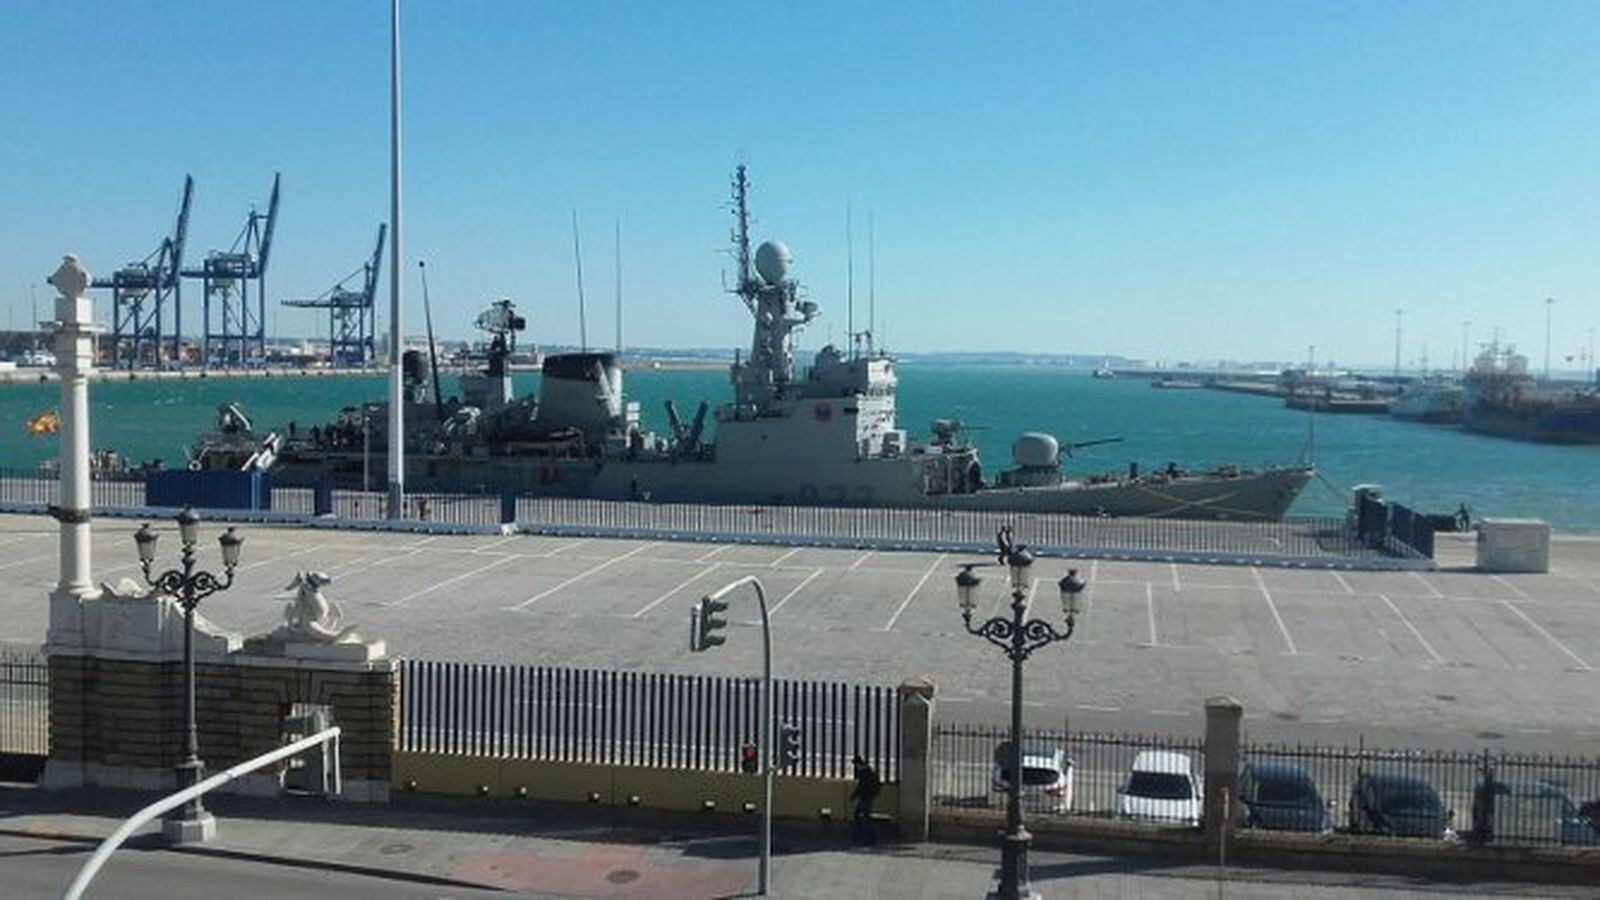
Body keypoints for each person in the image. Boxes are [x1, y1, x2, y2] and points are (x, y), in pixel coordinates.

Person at [850, 753, 881, 845]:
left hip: (866, 797)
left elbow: (861, 786)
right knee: (863, 815)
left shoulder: (864, 772)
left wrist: (854, 796)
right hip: (868, 796)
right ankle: (863, 836)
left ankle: (866, 837)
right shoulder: (868, 770)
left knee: (863, 816)